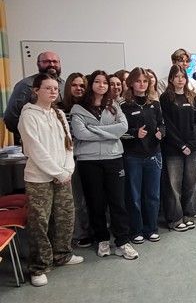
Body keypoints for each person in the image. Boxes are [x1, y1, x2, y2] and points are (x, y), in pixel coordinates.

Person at [18, 73, 83, 287]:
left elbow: (68, 144)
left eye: (55, 88)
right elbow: (35, 150)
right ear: (36, 90)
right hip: (39, 179)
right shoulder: (29, 115)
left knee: (65, 217)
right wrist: (58, 173)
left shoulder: (59, 114)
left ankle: (62, 254)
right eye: (48, 88)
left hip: (63, 174)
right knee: (40, 222)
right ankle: (39, 266)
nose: (53, 91)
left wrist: (68, 169)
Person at [70, 70, 139, 260]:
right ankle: (102, 239)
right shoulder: (78, 108)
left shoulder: (114, 105)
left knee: (118, 201)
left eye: (105, 82)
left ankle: (122, 241)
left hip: (113, 157)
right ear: (90, 84)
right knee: (95, 202)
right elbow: (80, 133)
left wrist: (94, 129)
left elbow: (123, 128)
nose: (102, 85)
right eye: (97, 82)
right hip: (88, 160)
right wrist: (109, 132)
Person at [120, 67, 165, 244]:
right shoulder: (124, 106)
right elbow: (120, 132)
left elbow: (161, 124)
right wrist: (134, 133)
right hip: (133, 156)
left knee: (153, 195)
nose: (142, 84)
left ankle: (151, 228)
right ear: (131, 83)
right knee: (134, 196)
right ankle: (136, 230)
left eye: (145, 81)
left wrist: (161, 132)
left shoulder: (154, 104)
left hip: (154, 155)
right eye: (138, 81)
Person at [160, 65, 196, 231]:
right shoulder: (166, 98)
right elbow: (167, 125)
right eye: (176, 76)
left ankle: (188, 214)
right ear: (171, 79)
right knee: (174, 185)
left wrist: (191, 144)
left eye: (183, 76)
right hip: (174, 149)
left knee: (191, 183)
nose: (180, 79)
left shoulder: (192, 96)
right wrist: (181, 145)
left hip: (192, 149)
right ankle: (175, 219)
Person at [59, 73, 92, 248]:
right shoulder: (59, 108)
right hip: (69, 158)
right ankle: (79, 233)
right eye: (75, 85)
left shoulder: (90, 107)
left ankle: (92, 229)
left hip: (88, 155)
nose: (79, 89)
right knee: (76, 199)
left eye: (82, 86)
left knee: (91, 197)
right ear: (68, 87)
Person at [5, 51, 65, 140]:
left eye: (55, 61)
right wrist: (27, 134)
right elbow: (11, 117)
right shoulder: (26, 85)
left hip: (58, 137)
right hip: (32, 137)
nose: (52, 64)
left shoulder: (63, 84)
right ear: (38, 64)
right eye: (46, 61)